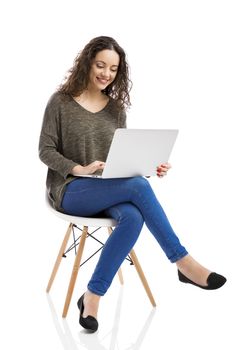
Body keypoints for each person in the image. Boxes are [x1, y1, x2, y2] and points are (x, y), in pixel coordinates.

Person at [39, 36, 226, 332]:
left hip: (108, 187)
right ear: (87, 63)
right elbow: (45, 151)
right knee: (137, 187)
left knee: (134, 214)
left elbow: (120, 159)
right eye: (100, 65)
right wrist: (79, 167)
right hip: (71, 189)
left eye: (113, 69)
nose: (106, 74)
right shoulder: (60, 102)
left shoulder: (115, 109)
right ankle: (183, 262)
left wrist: (149, 166)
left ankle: (92, 296)